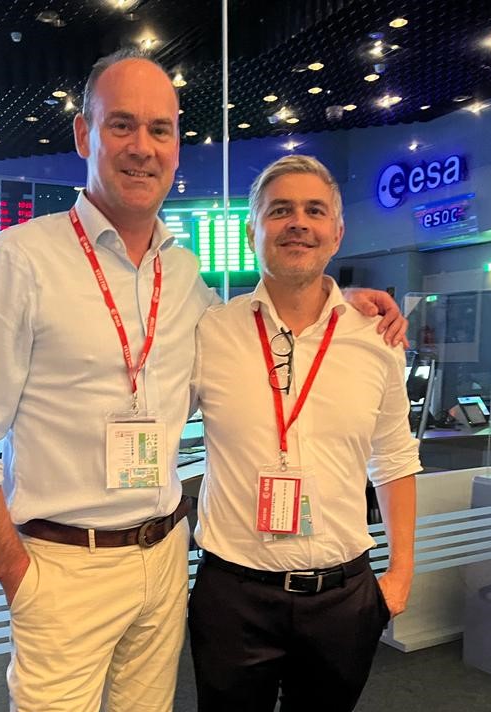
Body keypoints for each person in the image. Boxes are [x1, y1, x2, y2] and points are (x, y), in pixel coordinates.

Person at [0, 49, 407, 712]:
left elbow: (265, 328)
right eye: (120, 125)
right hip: (64, 564)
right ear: (82, 135)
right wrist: (17, 574)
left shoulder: (182, 276)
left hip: (166, 557)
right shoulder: (17, 263)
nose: (141, 147)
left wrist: (344, 302)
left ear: (176, 146)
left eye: (159, 129)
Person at [188, 154, 421, 712]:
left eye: (314, 211)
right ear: (252, 232)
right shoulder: (209, 331)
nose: (298, 222)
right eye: (280, 211)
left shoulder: (376, 338)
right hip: (233, 596)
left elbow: (394, 459)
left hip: (344, 599)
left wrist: (401, 577)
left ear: (336, 234)